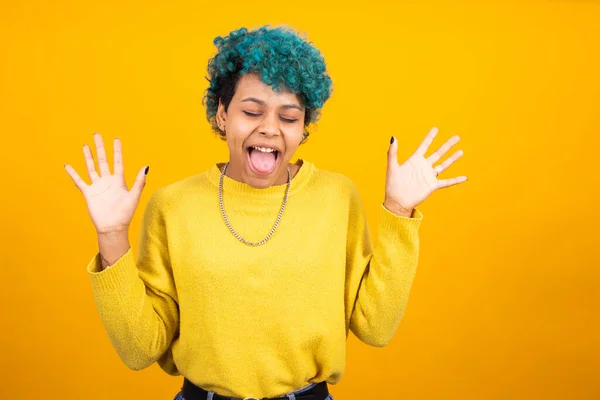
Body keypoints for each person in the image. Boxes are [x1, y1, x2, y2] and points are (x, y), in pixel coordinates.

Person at [64, 24, 467, 400]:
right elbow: (139, 350)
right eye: (252, 111)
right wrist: (112, 235)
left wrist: (399, 210)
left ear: (304, 127)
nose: (270, 128)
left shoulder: (336, 197)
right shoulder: (173, 206)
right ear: (222, 114)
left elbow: (376, 328)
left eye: (288, 117)